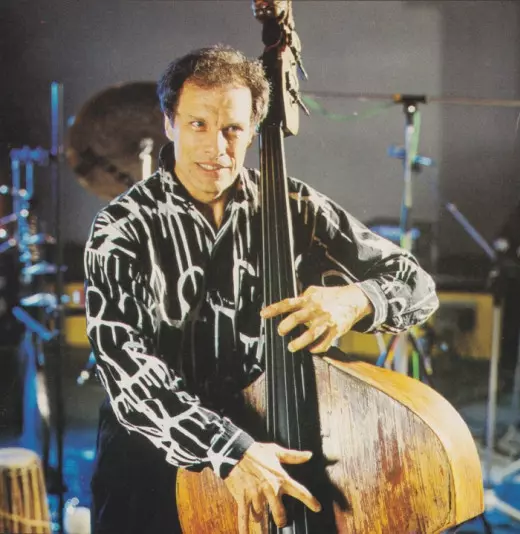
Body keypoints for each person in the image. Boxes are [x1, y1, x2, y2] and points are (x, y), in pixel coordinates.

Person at [84, 44, 439, 534]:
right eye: (198, 125)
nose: (217, 148)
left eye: (232, 128)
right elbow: (126, 368)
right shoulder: (122, 227)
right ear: (169, 124)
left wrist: (356, 300)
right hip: (153, 470)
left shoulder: (294, 207)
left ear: (254, 128)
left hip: (277, 449)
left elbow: (417, 284)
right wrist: (229, 450)